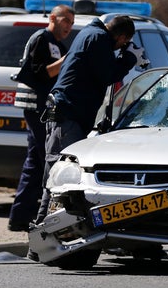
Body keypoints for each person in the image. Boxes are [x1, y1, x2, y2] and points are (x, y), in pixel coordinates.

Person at [35, 15, 144, 224]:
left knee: (62, 172)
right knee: (60, 173)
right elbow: (107, 74)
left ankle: (50, 227)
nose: (122, 46)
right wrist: (129, 59)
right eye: (124, 42)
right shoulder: (98, 39)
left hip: (68, 112)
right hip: (68, 114)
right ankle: (42, 227)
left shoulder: (91, 34)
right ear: (121, 36)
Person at [7, 4, 75, 232]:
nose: (69, 26)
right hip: (35, 108)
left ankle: (20, 217)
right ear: (53, 18)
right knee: (43, 159)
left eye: (72, 23)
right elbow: (39, 73)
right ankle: (31, 217)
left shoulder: (55, 44)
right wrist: (68, 60)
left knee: (35, 162)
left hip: (43, 109)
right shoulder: (41, 39)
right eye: (66, 20)